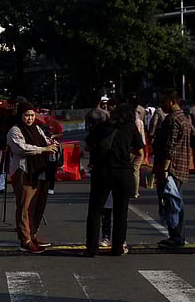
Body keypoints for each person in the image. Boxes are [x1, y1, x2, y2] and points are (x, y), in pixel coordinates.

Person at [83, 104, 144, 256]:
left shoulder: (101, 126)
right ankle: (117, 247)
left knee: (95, 211)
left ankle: (91, 248)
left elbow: (87, 147)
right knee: (121, 212)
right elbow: (140, 151)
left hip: (101, 172)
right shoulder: (130, 128)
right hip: (123, 173)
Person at [8, 102, 61, 254]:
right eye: (26, 115)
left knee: (38, 204)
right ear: (21, 115)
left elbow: (45, 141)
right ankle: (25, 240)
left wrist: (51, 144)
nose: (29, 118)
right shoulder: (15, 130)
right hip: (24, 171)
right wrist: (43, 149)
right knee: (25, 206)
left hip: (39, 170)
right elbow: (21, 148)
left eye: (31, 115)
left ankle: (33, 234)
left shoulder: (37, 128)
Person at [152, 89, 193, 249]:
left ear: (172, 101)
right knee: (176, 200)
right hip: (182, 164)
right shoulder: (185, 118)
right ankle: (177, 235)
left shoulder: (172, 119)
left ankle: (176, 235)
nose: (161, 106)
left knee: (171, 201)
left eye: (163, 102)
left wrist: (165, 168)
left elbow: (170, 146)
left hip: (172, 167)